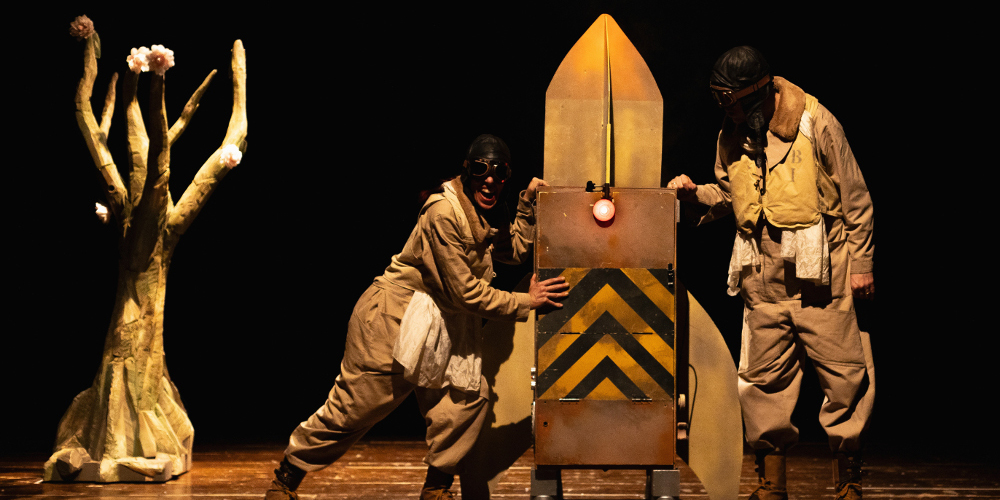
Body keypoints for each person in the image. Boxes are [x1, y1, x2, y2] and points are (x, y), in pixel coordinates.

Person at [265, 134, 568, 500]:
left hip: (441, 322)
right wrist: (527, 301)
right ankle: (286, 479)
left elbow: (514, 250)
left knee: (467, 398)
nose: (490, 180)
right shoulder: (443, 212)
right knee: (355, 408)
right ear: (467, 171)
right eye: (481, 170)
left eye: (500, 173)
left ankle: (436, 488)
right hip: (393, 319)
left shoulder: (486, 209)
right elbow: (465, 292)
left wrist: (527, 202)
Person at [667, 46, 874, 500]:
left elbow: (855, 197)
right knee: (761, 382)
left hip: (821, 276)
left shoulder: (815, 122)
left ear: (757, 92)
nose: (725, 108)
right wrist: (692, 195)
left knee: (844, 376)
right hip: (762, 277)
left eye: (730, 99)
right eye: (720, 100)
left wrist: (861, 264)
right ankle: (771, 484)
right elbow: (729, 195)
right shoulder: (731, 135)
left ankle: (848, 482)